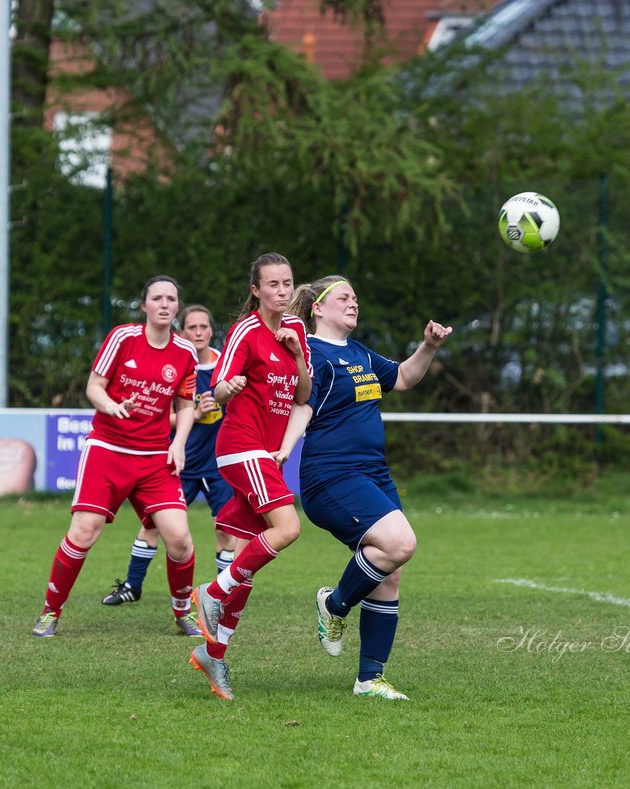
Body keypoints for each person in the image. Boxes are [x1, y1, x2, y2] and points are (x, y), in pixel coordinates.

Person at [284, 275, 451, 700]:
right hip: (331, 475)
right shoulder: (311, 353)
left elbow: (404, 378)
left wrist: (428, 347)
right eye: (344, 297)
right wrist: (285, 447)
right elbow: (302, 405)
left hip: (372, 473)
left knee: (389, 575)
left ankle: (369, 679)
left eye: (356, 297)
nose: (353, 303)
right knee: (400, 543)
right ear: (318, 308)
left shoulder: (358, 352)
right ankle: (334, 605)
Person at [32, 275, 201, 638]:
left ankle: (183, 612)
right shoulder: (123, 338)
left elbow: (186, 404)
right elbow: (95, 386)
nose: (165, 304)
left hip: (156, 457)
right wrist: (112, 405)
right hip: (108, 450)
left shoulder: (185, 352)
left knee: (180, 538)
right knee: (84, 532)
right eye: (157, 298)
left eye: (171, 299)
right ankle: (50, 612)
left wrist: (179, 442)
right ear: (144, 306)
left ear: (177, 306)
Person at [188, 252, 311, 700]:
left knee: (248, 568)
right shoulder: (245, 330)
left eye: (287, 283)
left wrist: (297, 356)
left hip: (267, 455)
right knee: (289, 527)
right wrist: (229, 387)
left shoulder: (296, 331)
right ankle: (211, 591)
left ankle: (212, 654)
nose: (281, 291)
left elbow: (303, 393)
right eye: (272, 284)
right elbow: (217, 387)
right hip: (241, 448)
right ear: (256, 290)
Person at [102, 304, 237, 607]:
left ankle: (221, 595)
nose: (199, 333)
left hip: (218, 465)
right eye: (192, 327)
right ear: (182, 331)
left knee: (226, 528)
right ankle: (132, 585)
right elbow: (159, 414)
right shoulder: (176, 361)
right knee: (152, 524)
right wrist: (195, 414)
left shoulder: (224, 365)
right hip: (180, 462)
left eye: (204, 327)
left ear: (211, 331)